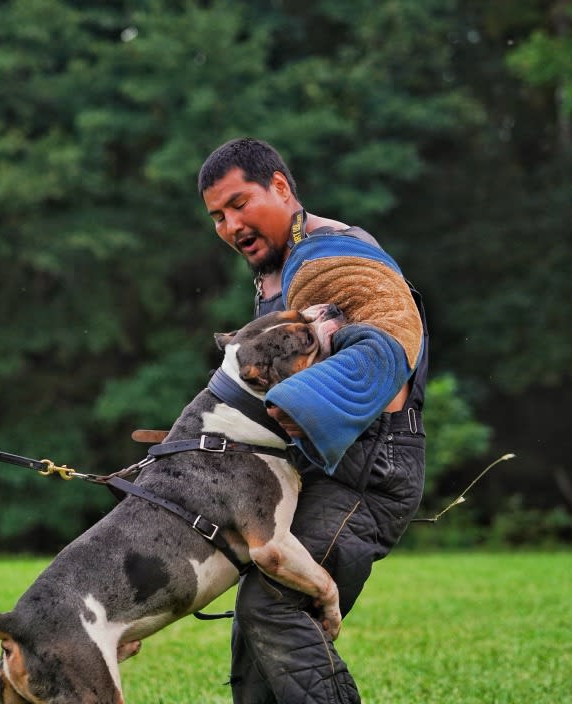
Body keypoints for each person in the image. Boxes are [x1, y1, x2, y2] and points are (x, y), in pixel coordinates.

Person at [198, 137, 429, 704]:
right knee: (255, 659)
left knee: (272, 604)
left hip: (365, 476)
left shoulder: (331, 255)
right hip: (324, 472)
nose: (231, 225)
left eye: (239, 203)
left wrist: (303, 402)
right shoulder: (281, 270)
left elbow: (390, 339)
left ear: (280, 186)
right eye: (218, 217)